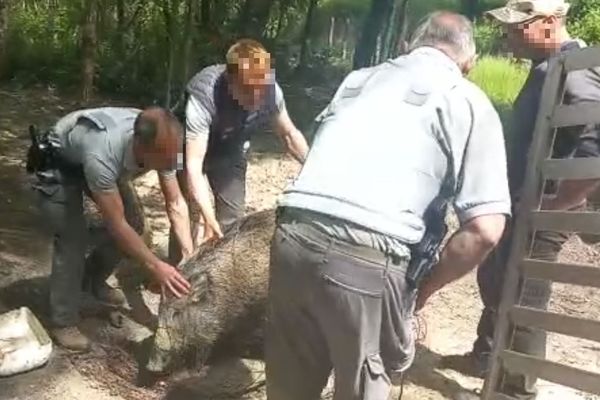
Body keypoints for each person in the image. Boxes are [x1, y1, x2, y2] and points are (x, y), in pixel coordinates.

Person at [264, 11, 512, 400]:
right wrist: (419, 295)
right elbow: (485, 229)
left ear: (408, 45)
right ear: (469, 63)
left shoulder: (358, 80)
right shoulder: (467, 100)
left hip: (291, 234)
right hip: (368, 253)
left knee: (290, 388)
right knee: (364, 387)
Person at [471, 1, 600, 398]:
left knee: (525, 293)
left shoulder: (575, 67)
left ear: (548, 23)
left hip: (544, 207)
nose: (507, 36)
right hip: (523, 201)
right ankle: (486, 356)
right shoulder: (551, 67)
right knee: (498, 275)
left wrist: (557, 204)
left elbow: (595, 144)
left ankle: (514, 388)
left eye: (517, 28)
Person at [30, 106, 193, 352]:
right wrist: (155, 266)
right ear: (142, 148)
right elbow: (117, 224)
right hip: (59, 166)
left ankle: (90, 280)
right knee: (72, 240)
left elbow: (176, 202)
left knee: (135, 226)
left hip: (103, 166)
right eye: (165, 159)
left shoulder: (167, 146)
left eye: (174, 156)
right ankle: (63, 320)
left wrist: (190, 254)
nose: (171, 163)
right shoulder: (104, 151)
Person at [169, 38, 309, 264]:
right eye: (247, 91)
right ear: (229, 80)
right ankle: (177, 272)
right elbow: (193, 166)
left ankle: (218, 276)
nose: (256, 98)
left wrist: (315, 168)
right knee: (191, 214)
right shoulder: (203, 95)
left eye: (260, 90)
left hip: (230, 150)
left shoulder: (272, 92)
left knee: (232, 219)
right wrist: (207, 215)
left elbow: (289, 135)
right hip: (184, 151)